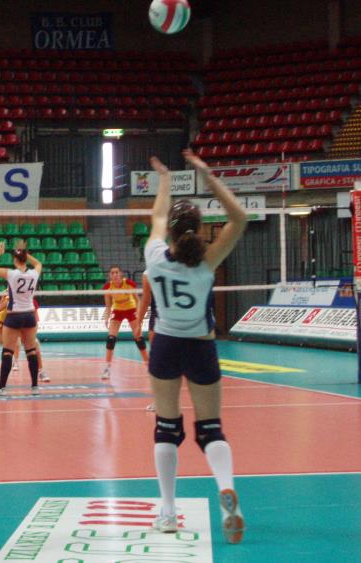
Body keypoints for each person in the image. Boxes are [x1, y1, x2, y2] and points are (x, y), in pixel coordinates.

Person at [145, 150, 247, 543]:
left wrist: (165, 180)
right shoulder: (207, 261)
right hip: (201, 347)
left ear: (170, 233)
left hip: (166, 346)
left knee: (166, 427)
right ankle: (227, 491)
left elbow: (157, 216)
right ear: (200, 230)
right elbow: (240, 217)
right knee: (211, 428)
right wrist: (207, 174)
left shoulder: (154, 257)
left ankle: (169, 513)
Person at [0, 242, 42, 396]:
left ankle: (1, 388)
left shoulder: (11, 274)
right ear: (25, 258)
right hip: (29, 315)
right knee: (31, 351)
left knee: (7, 352)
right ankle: (35, 387)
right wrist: (25, 253)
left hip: (14, 315)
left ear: (15, 260)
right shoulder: (34, 273)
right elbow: (38, 263)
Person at [101, 266, 148, 385]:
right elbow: (108, 306)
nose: (115, 275)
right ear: (110, 275)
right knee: (110, 339)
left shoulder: (129, 284)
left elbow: (138, 301)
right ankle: (107, 368)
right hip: (117, 312)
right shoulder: (108, 287)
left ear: (121, 274)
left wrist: (139, 315)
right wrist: (106, 317)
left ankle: (148, 366)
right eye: (112, 273)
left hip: (131, 310)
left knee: (139, 339)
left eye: (117, 272)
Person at [135, 272, 157, 412]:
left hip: (176, 317)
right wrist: (139, 322)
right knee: (157, 360)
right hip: (158, 317)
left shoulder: (181, 267)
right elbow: (146, 299)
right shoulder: (148, 274)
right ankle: (159, 399)